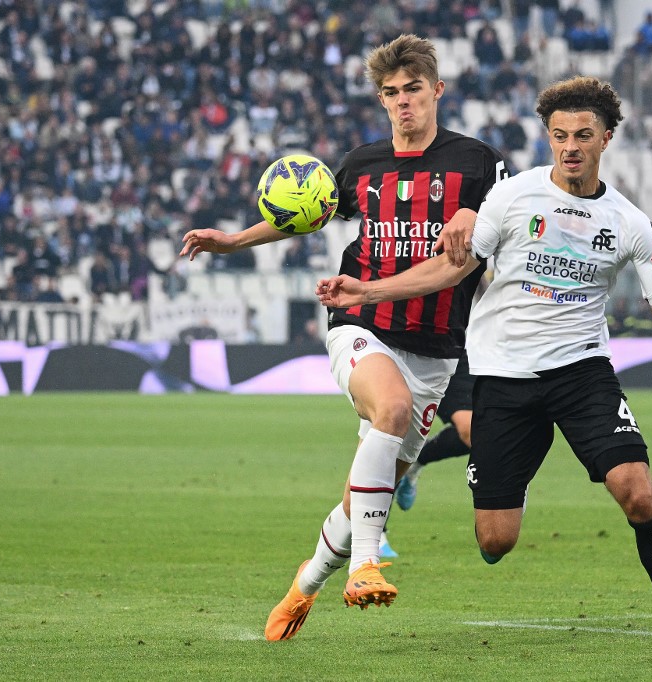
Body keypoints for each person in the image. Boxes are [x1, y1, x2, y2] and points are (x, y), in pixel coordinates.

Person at [317, 75, 652, 650]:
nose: (571, 147)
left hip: (583, 375)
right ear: (548, 138)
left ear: (606, 139)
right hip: (503, 378)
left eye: (584, 135)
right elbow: (452, 269)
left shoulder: (631, 222)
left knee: (637, 492)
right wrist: (369, 292)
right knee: (494, 542)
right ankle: (516, 476)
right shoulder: (513, 197)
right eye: (560, 135)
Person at [178, 34, 507, 641]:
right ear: (381, 101)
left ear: (437, 90)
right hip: (362, 321)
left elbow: (504, 215)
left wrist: (474, 215)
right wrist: (232, 241)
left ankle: (306, 583)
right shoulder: (362, 164)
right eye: (391, 93)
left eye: (413, 89)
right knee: (391, 408)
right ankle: (365, 566)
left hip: (437, 347)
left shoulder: (479, 162)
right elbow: (303, 214)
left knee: (368, 494)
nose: (403, 102)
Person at [394, 351, 475, 511]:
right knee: (391, 425)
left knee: (476, 433)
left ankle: (417, 460)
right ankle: (377, 529)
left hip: (453, 352)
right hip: (399, 349)